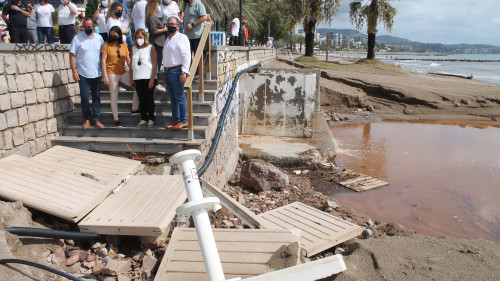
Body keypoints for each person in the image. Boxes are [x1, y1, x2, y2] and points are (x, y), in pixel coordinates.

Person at [69, 17, 105, 129]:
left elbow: (103, 55)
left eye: (89, 27)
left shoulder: (99, 38)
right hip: (83, 72)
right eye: (86, 27)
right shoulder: (77, 38)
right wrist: (74, 71)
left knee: (96, 96)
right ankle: (87, 119)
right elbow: (72, 55)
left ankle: (97, 118)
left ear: (93, 26)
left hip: (96, 72)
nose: (88, 28)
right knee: (84, 97)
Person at [101, 26, 134, 127]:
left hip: (122, 71)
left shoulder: (123, 45)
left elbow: (128, 60)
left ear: (119, 35)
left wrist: (133, 73)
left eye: (115, 34)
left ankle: (135, 107)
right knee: (114, 96)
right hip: (111, 72)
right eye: (111, 34)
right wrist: (105, 76)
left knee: (137, 86)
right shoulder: (106, 45)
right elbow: (103, 61)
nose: (113, 36)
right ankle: (116, 119)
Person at [163, 16, 190, 130]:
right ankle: (175, 119)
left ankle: (183, 120)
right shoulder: (168, 39)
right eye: (169, 24)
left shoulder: (182, 38)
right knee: (172, 98)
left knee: (180, 97)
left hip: (177, 70)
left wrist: (184, 71)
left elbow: (186, 55)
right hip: (168, 71)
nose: (170, 26)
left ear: (178, 26)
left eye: (173, 24)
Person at [131, 29, 157, 128]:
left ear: (145, 38)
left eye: (140, 37)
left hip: (148, 76)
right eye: (137, 37)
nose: (139, 39)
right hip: (137, 77)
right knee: (141, 99)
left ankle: (151, 118)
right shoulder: (133, 48)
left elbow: (154, 64)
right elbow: (131, 64)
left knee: (149, 98)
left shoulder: (151, 48)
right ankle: (143, 117)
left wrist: (152, 78)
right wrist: (131, 78)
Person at [146, 0, 168, 92]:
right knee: (156, 64)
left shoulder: (155, 17)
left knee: (158, 64)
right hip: (156, 43)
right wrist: (164, 29)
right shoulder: (151, 18)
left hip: (160, 43)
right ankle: (155, 83)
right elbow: (154, 31)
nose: (159, 6)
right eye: (157, 4)